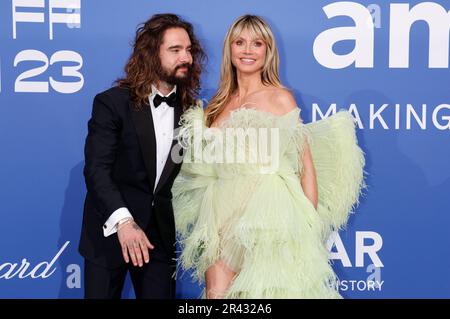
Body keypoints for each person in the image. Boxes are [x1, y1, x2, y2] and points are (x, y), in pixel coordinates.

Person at [172, 15, 365, 298]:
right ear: (230, 49)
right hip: (222, 218)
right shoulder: (216, 105)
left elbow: (305, 166)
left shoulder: (281, 98)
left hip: (269, 219)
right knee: (216, 294)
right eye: (240, 42)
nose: (247, 50)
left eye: (257, 43)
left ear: (267, 51)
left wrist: (308, 226)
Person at [79, 13, 205, 299]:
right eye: (175, 50)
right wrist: (124, 222)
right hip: (109, 231)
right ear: (150, 54)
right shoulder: (112, 103)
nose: (185, 57)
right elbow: (97, 170)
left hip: (158, 238)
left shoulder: (192, 111)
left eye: (189, 50)